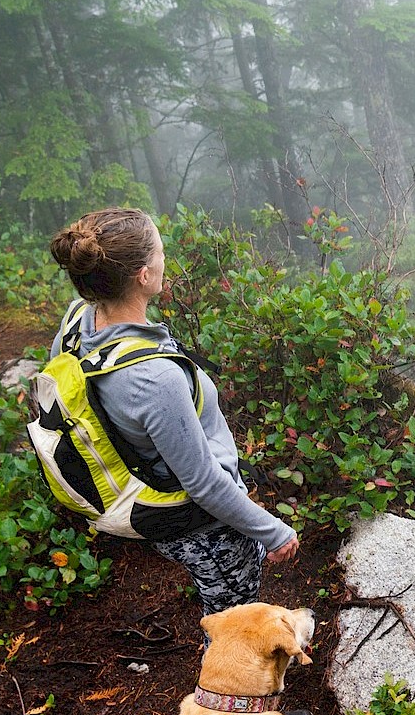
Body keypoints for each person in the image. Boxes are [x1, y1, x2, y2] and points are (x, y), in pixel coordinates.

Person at [48, 207, 297, 615]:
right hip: (202, 523)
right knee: (231, 620)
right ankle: (218, 681)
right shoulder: (154, 379)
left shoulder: (79, 319)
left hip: (146, 492)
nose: (166, 259)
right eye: (160, 252)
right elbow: (203, 483)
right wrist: (272, 532)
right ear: (143, 276)